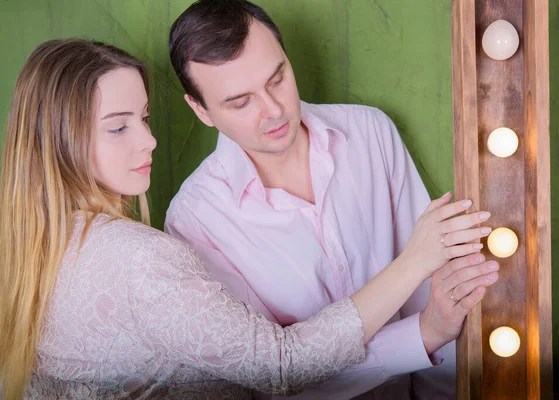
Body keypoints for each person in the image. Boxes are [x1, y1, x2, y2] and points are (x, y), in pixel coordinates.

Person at [0, 39, 494, 400]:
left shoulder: (27, 251)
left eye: (145, 119)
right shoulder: (151, 250)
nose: (149, 141)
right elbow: (279, 367)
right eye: (118, 127)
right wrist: (415, 269)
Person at [165, 1, 497, 399]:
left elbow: (434, 299)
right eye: (240, 102)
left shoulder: (370, 132)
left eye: (277, 78)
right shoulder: (195, 221)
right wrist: (422, 333)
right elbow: (276, 376)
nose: (273, 110)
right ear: (200, 110)